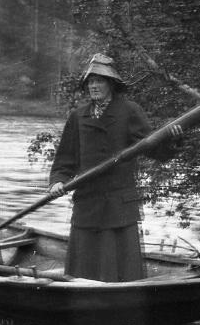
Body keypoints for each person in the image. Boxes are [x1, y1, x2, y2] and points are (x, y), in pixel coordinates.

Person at [48, 54, 181, 282]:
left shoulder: (129, 111)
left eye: (99, 81)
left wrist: (173, 141)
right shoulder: (78, 116)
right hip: (87, 201)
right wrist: (58, 181)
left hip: (118, 203)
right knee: (83, 270)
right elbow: (65, 159)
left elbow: (153, 149)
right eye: (90, 82)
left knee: (119, 266)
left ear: (111, 84)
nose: (94, 86)